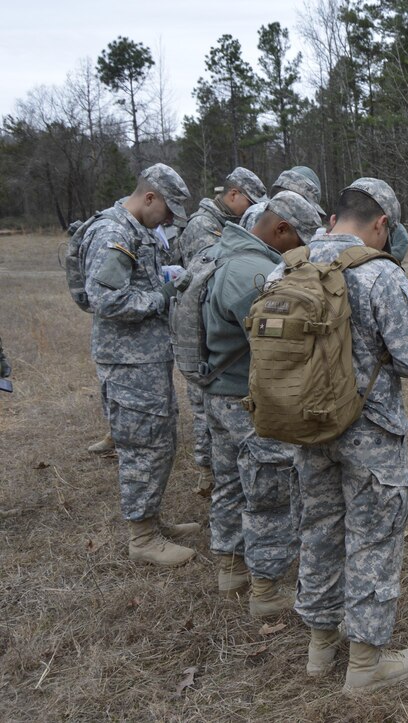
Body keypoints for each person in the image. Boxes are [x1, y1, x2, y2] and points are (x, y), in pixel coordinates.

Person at [284, 178, 408, 695]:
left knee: (319, 529)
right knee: (373, 538)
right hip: (368, 432)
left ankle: (320, 648)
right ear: (381, 225)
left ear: (333, 218)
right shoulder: (378, 275)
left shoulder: (285, 267)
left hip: (304, 427)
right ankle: (366, 665)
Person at [201, 192, 321, 615]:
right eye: (301, 239)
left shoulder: (220, 253)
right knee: (268, 492)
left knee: (230, 483)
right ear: (281, 229)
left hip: (219, 392)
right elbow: (277, 342)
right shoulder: (252, 271)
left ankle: (231, 569)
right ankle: (266, 591)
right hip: (247, 399)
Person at [81, 164, 200, 567]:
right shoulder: (115, 234)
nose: (169, 221)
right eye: (167, 212)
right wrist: (163, 295)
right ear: (149, 197)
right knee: (142, 447)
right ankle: (142, 537)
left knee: (160, 440)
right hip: (129, 362)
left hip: (145, 357)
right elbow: (108, 301)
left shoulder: (137, 230)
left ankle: (152, 519)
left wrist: (162, 280)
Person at [176, 167, 268, 490]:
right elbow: (208, 284)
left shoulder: (223, 224)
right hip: (211, 342)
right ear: (233, 195)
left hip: (215, 341)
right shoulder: (203, 226)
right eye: (252, 201)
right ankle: (209, 473)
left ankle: (217, 477)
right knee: (209, 415)